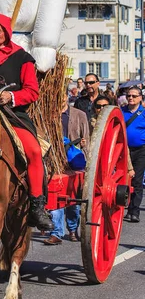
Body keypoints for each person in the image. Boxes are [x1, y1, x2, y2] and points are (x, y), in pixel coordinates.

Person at [0, 13, 53, 231]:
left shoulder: (22, 58)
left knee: (34, 152)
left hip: (12, 115)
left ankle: (37, 205)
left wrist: (11, 97)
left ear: (6, 32)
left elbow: (32, 91)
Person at [44, 98, 89, 245]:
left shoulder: (79, 114)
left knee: (72, 201)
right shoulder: (48, 114)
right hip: (53, 159)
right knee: (54, 195)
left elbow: (86, 139)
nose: (61, 98)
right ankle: (56, 232)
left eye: (63, 95)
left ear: (66, 96)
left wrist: (86, 156)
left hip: (73, 159)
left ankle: (72, 228)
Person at [121, 86, 145, 223]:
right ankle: (123, 207)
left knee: (137, 180)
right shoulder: (122, 111)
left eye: (134, 96)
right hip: (124, 149)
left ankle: (134, 211)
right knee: (124, 179)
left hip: (140, 150)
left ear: (140, 98)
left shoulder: (143, 113)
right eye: (128, 95)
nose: (130, 98)